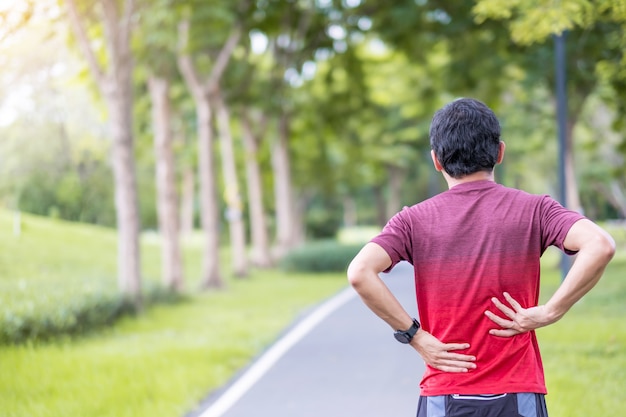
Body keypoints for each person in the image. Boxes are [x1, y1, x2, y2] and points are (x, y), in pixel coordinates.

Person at [346, 98, 616, 417]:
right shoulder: (535, 209)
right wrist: (550, 311)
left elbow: (360, 272)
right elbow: (599, 244)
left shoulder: (413, 220)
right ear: (500, 152)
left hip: (445, 394)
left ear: (436, 160)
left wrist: (414, 336)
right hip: (518, 392)